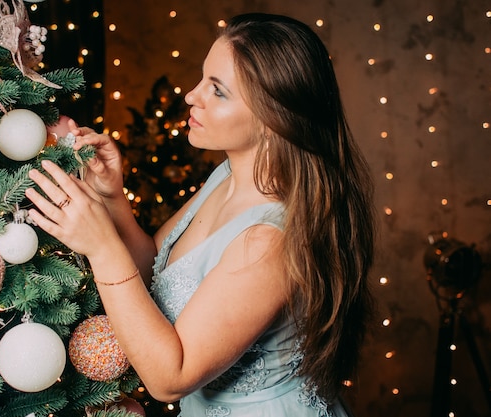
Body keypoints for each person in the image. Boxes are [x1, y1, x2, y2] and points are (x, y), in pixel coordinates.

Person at [25, 13, 375, 417]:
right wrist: (113, 198)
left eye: (218, 91)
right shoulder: (227, 175)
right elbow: (153, 271)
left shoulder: (269, 239)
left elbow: (169, 380)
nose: (191, 96)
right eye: (202, 79)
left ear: (273, 119)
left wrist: (102, 248)